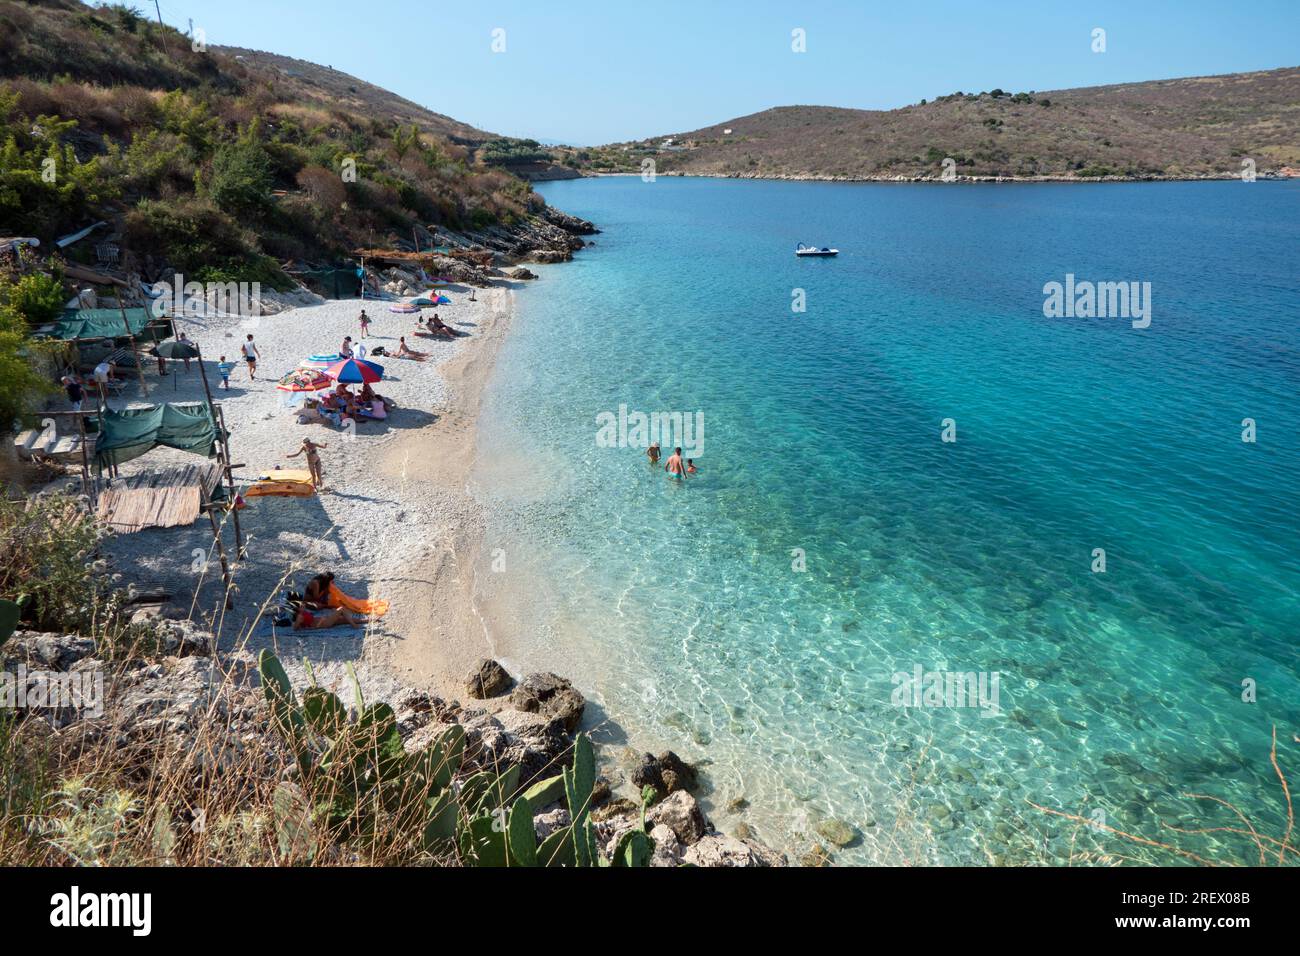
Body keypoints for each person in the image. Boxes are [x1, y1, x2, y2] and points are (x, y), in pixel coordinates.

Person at [293, 605, 367, 630]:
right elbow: (295, 627)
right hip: (324, 623)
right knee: (341, 609)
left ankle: (366, 620)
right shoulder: (299, 616)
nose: (303, 605)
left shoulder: (302, 613)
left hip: (325, 620)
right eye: (301, 606)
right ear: (298, 609)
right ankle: (354, 625)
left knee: (344, 619)